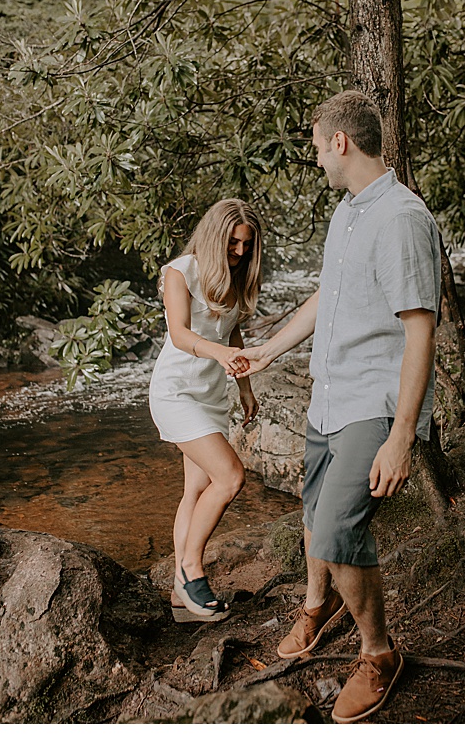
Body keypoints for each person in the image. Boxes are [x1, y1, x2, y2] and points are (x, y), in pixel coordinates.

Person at [234, 89, 440, 723]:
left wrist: (402, 433)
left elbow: (420, 330)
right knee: (312, 514)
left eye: (318, 145)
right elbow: (331, 294)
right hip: (328, 393)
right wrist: (269, 350)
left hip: (372, 402)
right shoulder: (348, 213)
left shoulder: (402, 219)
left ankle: (379, 655)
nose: (316, 155)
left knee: (337, 527)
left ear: (341, 143)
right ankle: (316, 609)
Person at [149, 198, 263, 621]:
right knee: (230, 476)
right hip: (176, 392)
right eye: (233, 243)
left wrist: (245, 388)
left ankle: (181, 598)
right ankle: (191, 569)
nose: (239, 251)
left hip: (212, 397)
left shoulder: (235, 277)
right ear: (216, 235)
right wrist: (214, 352)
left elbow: (233, 334)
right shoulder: (180, 272)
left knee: (196, 492)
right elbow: (179, 334)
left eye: (247, 245)